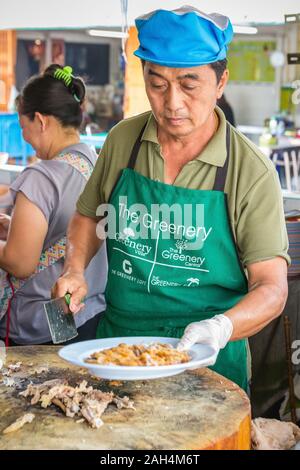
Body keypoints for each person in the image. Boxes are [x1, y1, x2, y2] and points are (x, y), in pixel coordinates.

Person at [53, 7, 289, 391]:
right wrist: (75, 269)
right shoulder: (122, 141)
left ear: (221, 81)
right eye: (157, 84)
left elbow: (272, 287)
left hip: (210, 356)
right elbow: (86, 218)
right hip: (120, 347)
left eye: (189, 84)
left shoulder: (251, 170)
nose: (172, 102)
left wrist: (221, 326)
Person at [0, 64, 107, 346]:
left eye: (24, 128)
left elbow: (20, 263)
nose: (25, 138)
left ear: (41, 120)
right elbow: (67, 229)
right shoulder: (97, 168)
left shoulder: (42, 176)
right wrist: (15, 227)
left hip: (38, 328)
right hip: (88, 318)